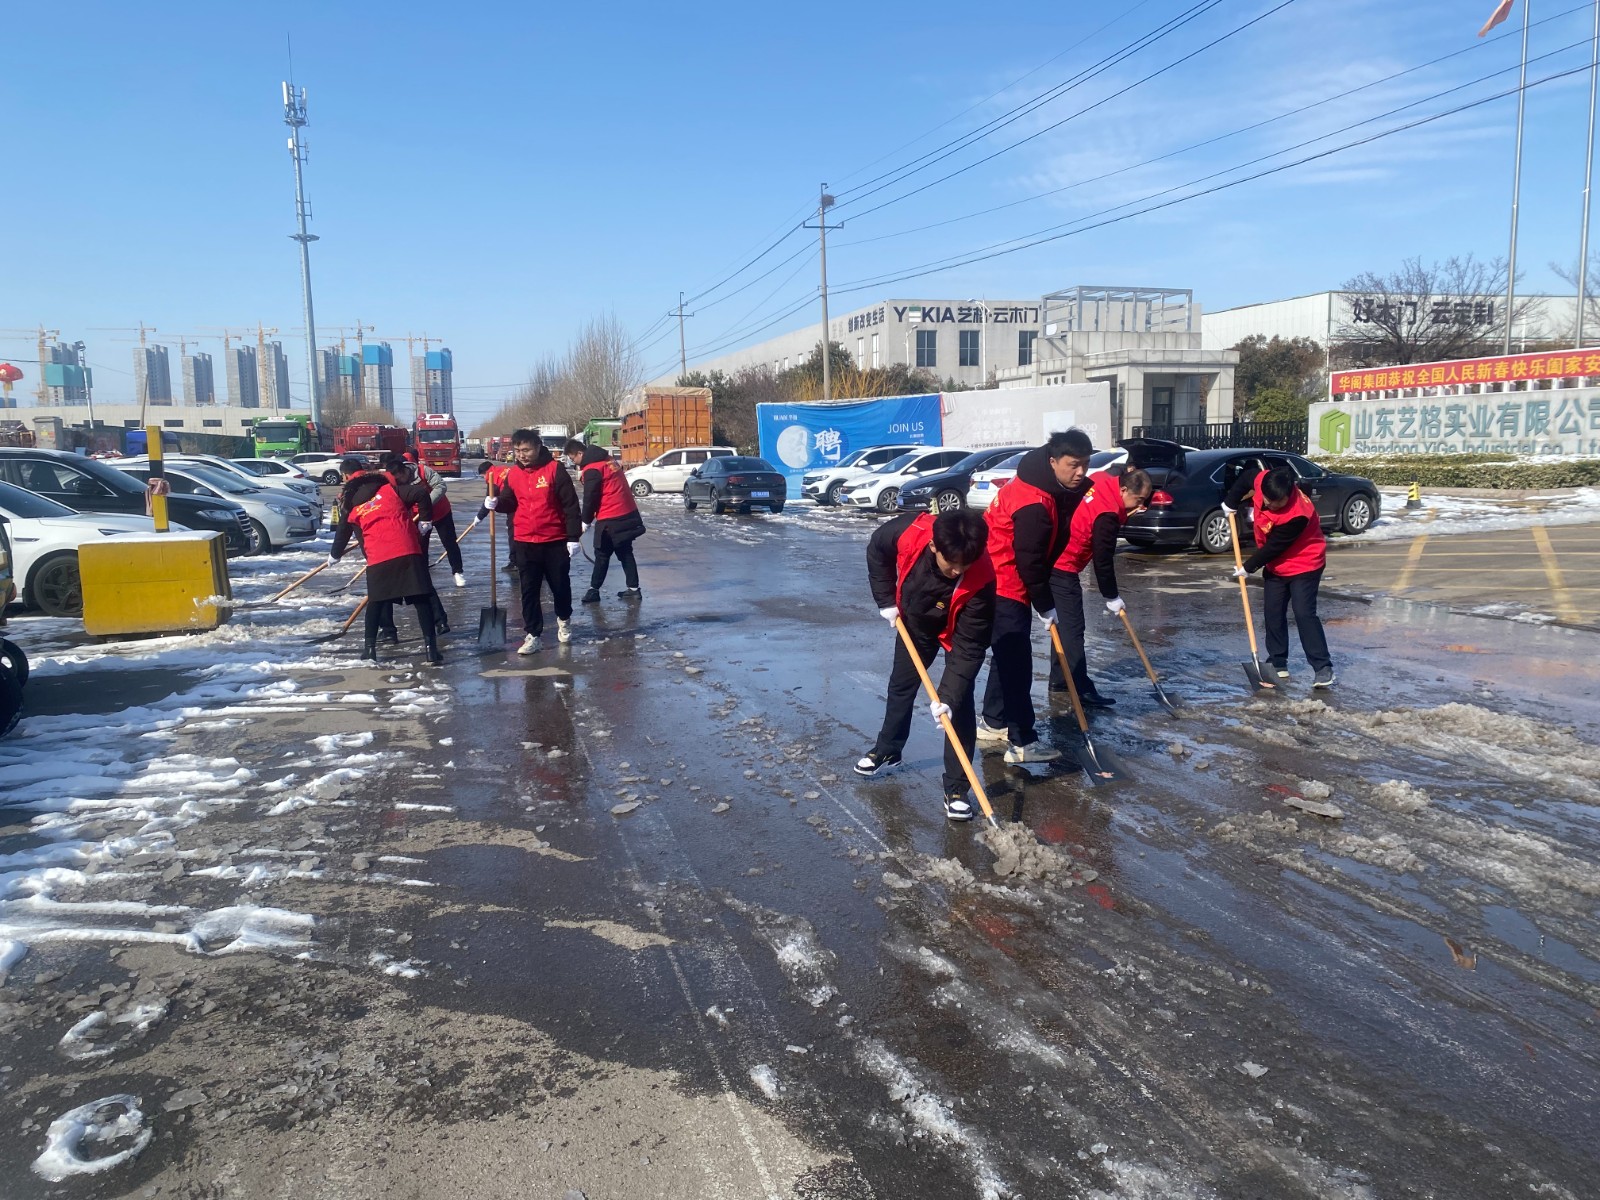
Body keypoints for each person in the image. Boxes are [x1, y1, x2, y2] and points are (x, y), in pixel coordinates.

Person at [856, 509, 996, 822]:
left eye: (966, 564)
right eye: (952, 564)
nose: (958, 570)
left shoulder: (982, 577)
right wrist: (885, 601)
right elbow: (878, 548)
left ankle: (957, 788)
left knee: (958, 703)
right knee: (901, 685)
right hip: (915, 623)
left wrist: (947, 695)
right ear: (934, 547)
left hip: (957, 630)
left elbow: (970, 647)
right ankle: (888, 748)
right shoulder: (912, 530)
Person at [975, 429, 1096, 763]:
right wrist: (1046, 606)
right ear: (1053, 460)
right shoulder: (1034, 505)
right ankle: (1022, 742)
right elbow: (1028, 562)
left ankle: (993, 722)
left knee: (1005, 656)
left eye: (1085, 464)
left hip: (997, 580)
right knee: (1017, 665)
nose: (1081, 472)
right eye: (1074, 465)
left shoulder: (1034, 481)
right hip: (1004, 585)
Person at [1047, 466, 1154, 707]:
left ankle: (1060, 680)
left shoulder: (1103, 480)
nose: (1139, 506)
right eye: (1138, 500)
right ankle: (1081, 688)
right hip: (1063, 564)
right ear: (1124, 489)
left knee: (1063, 627)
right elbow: (1103, 558)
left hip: (1054, 556)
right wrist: (1112, 596)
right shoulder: (1108, 514)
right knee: (1073, 630)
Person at [1224, 463, 1334, 687]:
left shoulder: (1298, 514)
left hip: (1305, 563)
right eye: (1266, 498)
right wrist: (1230, 501)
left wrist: (1249, 567)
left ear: (1288, 494)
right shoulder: (1264, 481)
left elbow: (1276, 545)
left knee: (1303, 613)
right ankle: (1277, 663)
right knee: (1273, 612)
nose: (1267, 504)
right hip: (1276, 566)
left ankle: (1323, 667)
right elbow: (1247, 478)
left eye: (1275, 502)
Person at [328, 454, 441, 665]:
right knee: (420, 600)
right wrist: (425, 520)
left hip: (378, 555)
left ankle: (369, 650)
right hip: (407, 549)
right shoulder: (389, 490)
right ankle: (431, 650)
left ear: (346, 477)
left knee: (376, 602)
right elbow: (420, 493)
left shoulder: (350, 503)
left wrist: (335, 554)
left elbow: (343, 530)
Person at [484, 428, 581, 654]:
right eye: (517, 450)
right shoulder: (513, 475)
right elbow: (510, 503)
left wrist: (573, 537)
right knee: (529, 590)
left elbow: (570, 505)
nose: (521, 455)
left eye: (526, 450)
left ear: (538, 447)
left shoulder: (554, 470)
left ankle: (564, 618)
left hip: (554, 540)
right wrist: (496, 502)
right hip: (525, 541)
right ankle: (533, 635)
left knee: (560, 586)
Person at [564, 439, 646, 603]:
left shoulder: (593, 469)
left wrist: (585, 521)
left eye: (573, 459)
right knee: (625, 552)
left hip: (611, 517)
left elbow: (590, 498)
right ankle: (633, 589)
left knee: (602, 554)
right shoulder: (607, 460)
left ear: (580, 453)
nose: (573, 462)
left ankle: (594, 591)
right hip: (626, 513)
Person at [405, 450, 466, 587]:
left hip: (440, 512)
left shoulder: (424, 471)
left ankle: (457, 572)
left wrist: (426, 505)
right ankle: (423, 577)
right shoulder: (399, 479)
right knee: (421, 546)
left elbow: (440, 486)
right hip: (419, 517)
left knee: (449, 542)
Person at [476, 458, 516, 575]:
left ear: (485, 473)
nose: (484, 479)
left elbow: (489, 501)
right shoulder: (503, 469)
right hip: (524, 501)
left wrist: (479, 517)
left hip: (514, 504)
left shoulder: (492, 478)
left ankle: (515, 563)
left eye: (482, 476)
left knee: (514, 534)